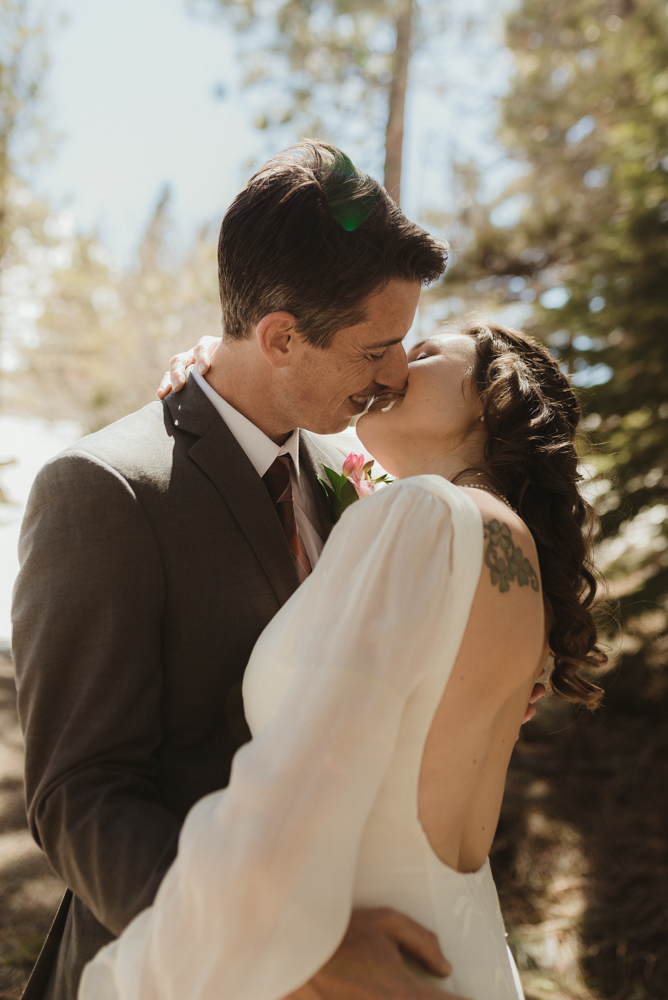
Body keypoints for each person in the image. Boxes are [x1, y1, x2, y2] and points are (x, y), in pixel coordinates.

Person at [12, 140, 468, 1000]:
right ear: (282, 337)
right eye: (376, 351)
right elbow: (82, 794)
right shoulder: (103, 489)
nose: (397, 375)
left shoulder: (346, 475)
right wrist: (277, 946)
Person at [79, 319, 606, 1000]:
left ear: (494, 397)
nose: (389, 371)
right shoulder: (517, 560)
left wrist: (261, 941)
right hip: (463, 948)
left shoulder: (418, 515)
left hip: (365, 960)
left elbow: (301, 777)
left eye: (418, 353)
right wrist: (230, 369)